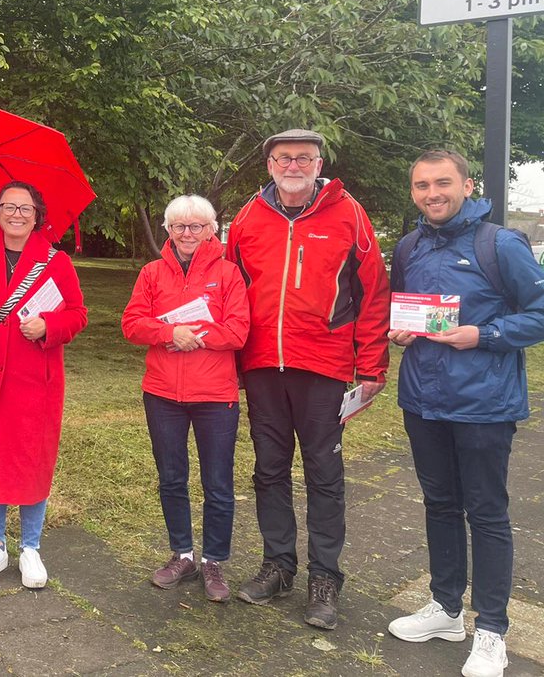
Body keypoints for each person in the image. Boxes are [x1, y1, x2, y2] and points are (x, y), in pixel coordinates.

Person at [386, 151, 544, 677]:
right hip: (423, 401)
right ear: (413, 191)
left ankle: (492, 628)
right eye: (422, 185)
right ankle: (447, 608)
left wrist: (485, 334)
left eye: (443, 183)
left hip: (483, 404)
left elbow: (539, 313)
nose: (433, 193)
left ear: (466, 184)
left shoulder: (500, 243)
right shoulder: (408, 245)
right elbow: (403, 305)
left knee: (487, 513)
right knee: (439, 505)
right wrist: (400, 330)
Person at [225, 128, 389, 630]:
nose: (293, 165)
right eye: (283, 158)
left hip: (324, 365)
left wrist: (372, 366)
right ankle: (278, 566)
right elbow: (230, 292)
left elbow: (373, 290)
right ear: (269, 164)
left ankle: (325, 577)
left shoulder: (349, 214)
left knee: (324, 474)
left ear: (319, 164)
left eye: (304, 158)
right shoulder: (248, 218)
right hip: (262, 367)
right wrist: (228, 362)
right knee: (268, 470)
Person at [0, 182, 87, 588]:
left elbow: (78, 314)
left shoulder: (55, 261)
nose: (17, 214)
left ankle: (30, 547)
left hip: (34, 380)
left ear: (37, 214)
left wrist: (49, 325)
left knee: (30, 460)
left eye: (25, 208)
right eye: (9, 206)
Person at [121, 195, 249, 603]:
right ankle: (182, 553)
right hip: (162, 393)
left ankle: (213, 560)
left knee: (217, 482)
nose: (188, 233)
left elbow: (238, 331)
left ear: (211, 229)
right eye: (179, 226)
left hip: (215, 394)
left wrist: (193, 334)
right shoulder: (152, 272)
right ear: (168, 230)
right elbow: (131, 323)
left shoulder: (229, 274)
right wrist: (166, 333)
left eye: (196, 226)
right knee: (172, 478)